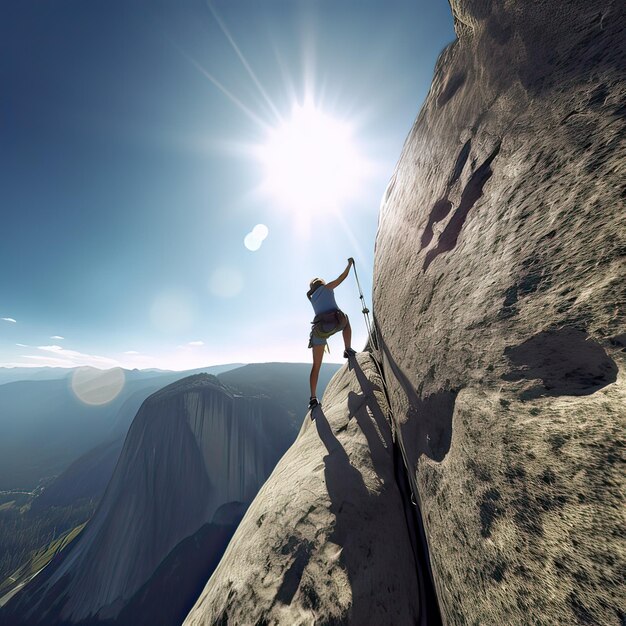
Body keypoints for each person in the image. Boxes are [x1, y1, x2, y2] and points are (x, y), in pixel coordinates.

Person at [307, 258, 357, 411]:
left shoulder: (312, 297)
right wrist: (349, 264)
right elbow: (342, 277)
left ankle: (313, 398)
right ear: (321, 283)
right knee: (346, 320)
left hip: (320, 331)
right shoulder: (327, 287)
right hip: (336, 323)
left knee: (316, 366)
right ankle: (348, 349)